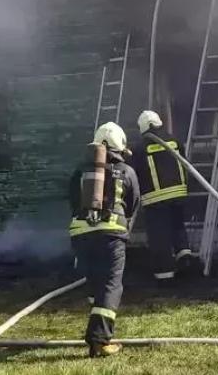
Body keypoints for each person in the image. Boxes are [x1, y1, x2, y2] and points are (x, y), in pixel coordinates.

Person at [68, 121, 140, 358]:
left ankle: (96, 324)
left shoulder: (80, 170)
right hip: (111, 235)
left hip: (80, 234)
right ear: (120, 147)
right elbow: (133, 203)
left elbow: (72, 200)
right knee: (111, 284)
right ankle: (99, 340)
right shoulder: (126, 171)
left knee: (95, 281)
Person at [133, 110, 201, 283]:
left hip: (155, 199)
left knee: (159, 236)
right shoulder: (175, 141)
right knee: (177, 226)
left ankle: (165, 276)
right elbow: (184, 163)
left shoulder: (140, 148)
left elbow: (134, 173)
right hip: (179, 194)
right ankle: (184, 255)